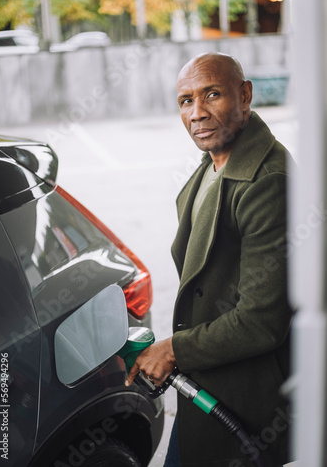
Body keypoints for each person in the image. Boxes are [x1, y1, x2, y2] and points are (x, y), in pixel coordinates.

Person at [125, 52, 293, 467]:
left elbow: (261, 320)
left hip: (243, 402)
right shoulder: (212, 165)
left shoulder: (268, 181)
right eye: (185, 101)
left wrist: (173, 350)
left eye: (212, 95)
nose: (197, 113)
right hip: (206, 388)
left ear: (245, 95)